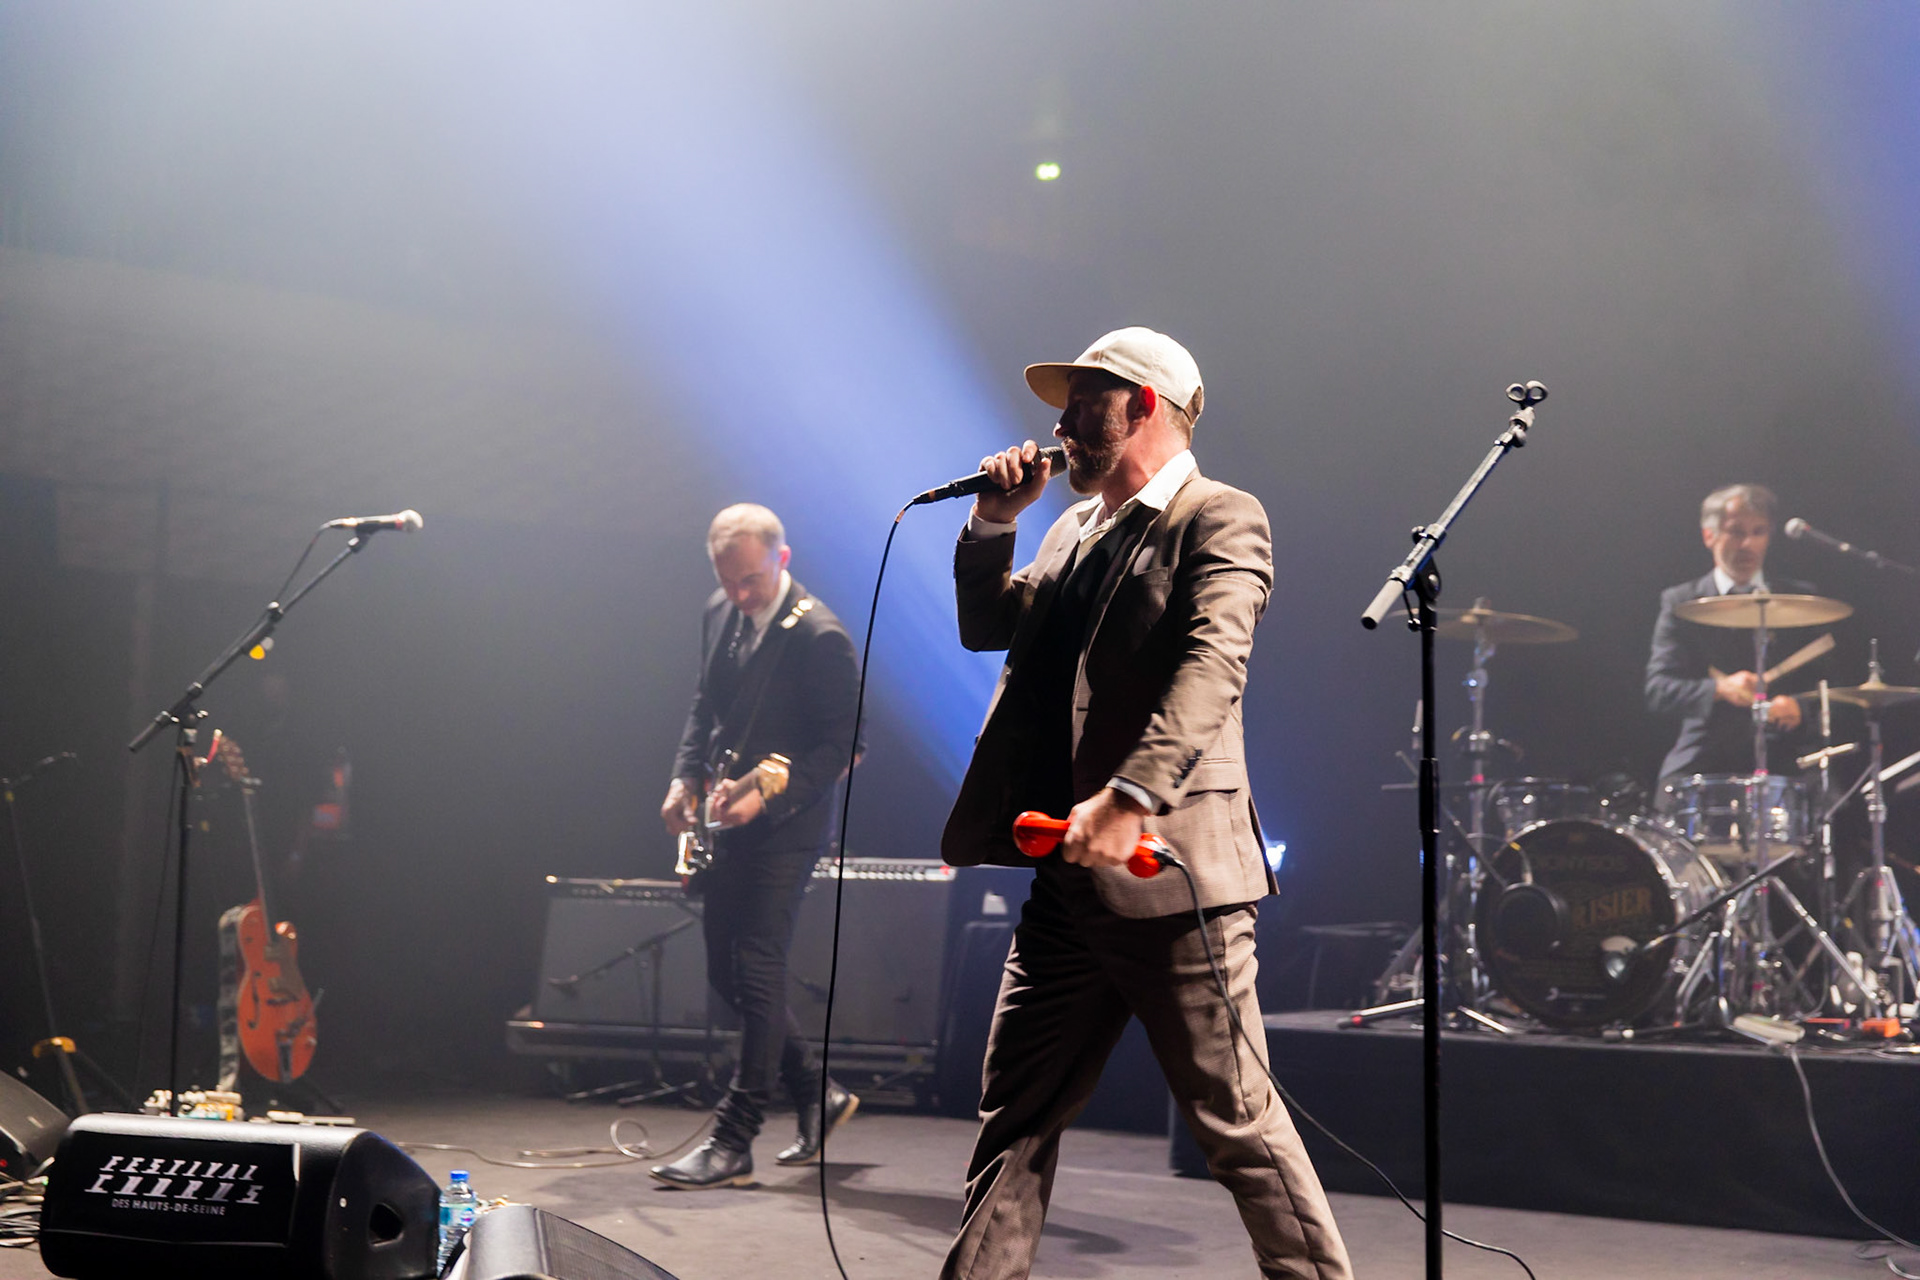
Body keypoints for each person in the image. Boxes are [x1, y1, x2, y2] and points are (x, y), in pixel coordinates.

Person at [937, 328, 1352, 1279]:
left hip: (1172, 883)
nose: (1061, 424)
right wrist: (995, 522)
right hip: (1068, 878)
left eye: (1085, 404)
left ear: (1146, 406)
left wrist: (1132, 795)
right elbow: (985, 627)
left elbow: (1215, 666)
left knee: (1236, 1125)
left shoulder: (1220, 516)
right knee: (1017, 1119)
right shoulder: (1070, 527)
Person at [650, 504, 860, 1189]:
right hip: (724, 820)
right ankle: (819, 1095)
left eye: (750, 580)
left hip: (786, 829)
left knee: (759, 968)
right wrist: (685, 777)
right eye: (728, 581)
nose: (740, 596)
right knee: (724, 973)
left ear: (783, 558)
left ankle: (735, 1137)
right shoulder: (720, 611)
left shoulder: (819, 635)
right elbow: (702, 707)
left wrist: (768, 789)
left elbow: (844, 745)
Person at [1646, 483, 1813, 782]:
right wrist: (1720, 690)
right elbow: (1659, 690)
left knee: (1831, 798)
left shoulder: (1802, 600)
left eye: (1758, 532)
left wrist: (1800, 707)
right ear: (1708, 535)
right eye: (1736, 532)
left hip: (1785, 757)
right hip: (1707, 755)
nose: (1747, 544)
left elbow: (1837, 690)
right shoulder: (1681, 602)